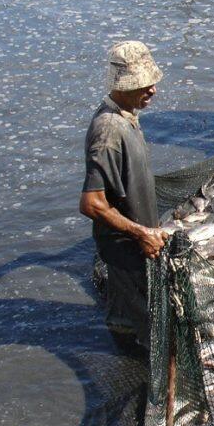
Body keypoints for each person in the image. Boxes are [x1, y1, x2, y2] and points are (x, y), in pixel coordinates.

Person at [79, 41, 168, 350]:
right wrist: (140, 233)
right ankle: (134, 357)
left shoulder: (127, 113)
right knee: (146, 329)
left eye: (152, 81)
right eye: (143, 84)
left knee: (130, 312)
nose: (153, 90)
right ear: (123, 85)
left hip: (136, 243)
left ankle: (124, 337)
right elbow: (91, 204)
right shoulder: (108, 131)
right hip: (124, 247)